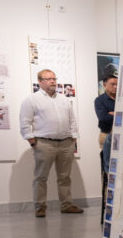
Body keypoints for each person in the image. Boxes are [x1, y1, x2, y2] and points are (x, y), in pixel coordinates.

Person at [19, 69, 82, 217]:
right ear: (40, 81)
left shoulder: (64, 99)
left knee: (65, 176)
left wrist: (74, 137)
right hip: (44, 144)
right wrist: (33, 142)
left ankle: (67, 205)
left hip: (66, 143)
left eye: (54, 78)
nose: (52, 81)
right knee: (41, 177)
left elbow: (72, 120)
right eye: (48, 79)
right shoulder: (31, 100)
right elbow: (24, 122)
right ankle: (40, 207)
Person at [95, 71, 118, 224]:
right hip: (107, 135)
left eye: (117, 84)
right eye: (112, 84)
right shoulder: (100, 100)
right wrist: (116, 114)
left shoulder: (122, 98)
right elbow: (103, 117)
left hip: (121, 135)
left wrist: (114, 113)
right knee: (109, 171)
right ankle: (110, 206)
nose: (115, 87)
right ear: (104, 85)